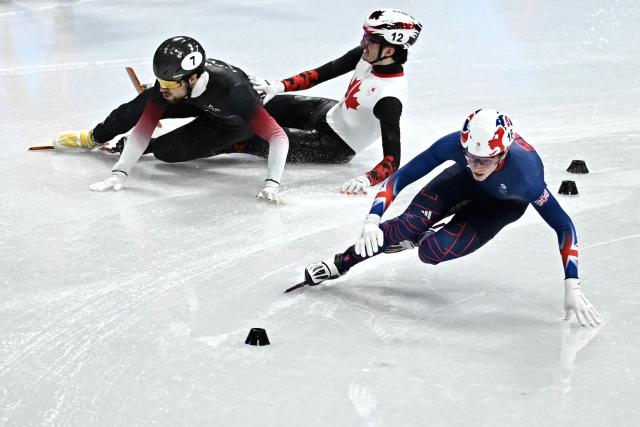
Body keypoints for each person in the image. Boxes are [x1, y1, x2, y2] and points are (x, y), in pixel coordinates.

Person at [303, 109, 601, 327]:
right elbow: (402, 176)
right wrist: (372, 218)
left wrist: (571, 285)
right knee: (405, 224)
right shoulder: (456, 147)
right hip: (459, 185)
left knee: (430, 253)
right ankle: (340, 263)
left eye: (485, 161)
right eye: (471, 157)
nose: (477, 166)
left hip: (499, 208)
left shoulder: (527, 175)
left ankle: (421, 237)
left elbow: (564, 226)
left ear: (503, 154)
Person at [53, 36, 289, 203]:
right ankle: (95, 136)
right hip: (194, 100)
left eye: (169, 85)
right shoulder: (174, 85)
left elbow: (277, 137)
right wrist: (119, 173)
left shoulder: (235, 92)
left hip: (232, 122)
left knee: (168, 152)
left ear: (193, 78)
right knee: (140, 104)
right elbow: (142, 129)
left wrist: (271, 184)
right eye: (161, 82)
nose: (162, 90)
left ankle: (235, 145)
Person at [246, 8, 422, 194]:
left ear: (388, 50)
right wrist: (279, 86)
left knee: (246, 135)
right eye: (364, 35)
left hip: (334, 145)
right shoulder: (366, 56)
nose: (362, 42)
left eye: (369, 39)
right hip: (326, 111)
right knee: (256, 103)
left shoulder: (389, 99)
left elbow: (392, 160)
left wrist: (367, 178)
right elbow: (320, 74)